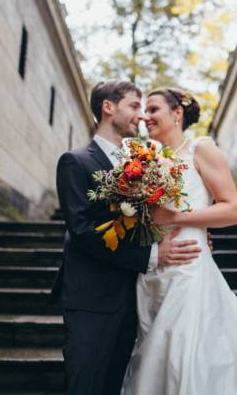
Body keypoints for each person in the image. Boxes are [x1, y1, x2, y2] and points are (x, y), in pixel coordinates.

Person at [120, 87, 237, 395]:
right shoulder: (145, 158)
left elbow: (234, 209)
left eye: (153, 110)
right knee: (155, 356)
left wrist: (178, 219)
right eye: (144, 111)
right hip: (152, 272)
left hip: (190, 270)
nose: (145, 117)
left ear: (177, 113)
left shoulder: (200, 148)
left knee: (186, 352)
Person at [52, 80, 204, 395]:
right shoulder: (75, 161)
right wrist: (150, 256)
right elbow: (80, 232)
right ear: (109, 107)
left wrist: (196, 231)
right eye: (135, 106)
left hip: (133, 298)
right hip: (91, 297)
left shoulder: (141, 163)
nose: (141, 117)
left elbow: (156, 215)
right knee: (85, 385)